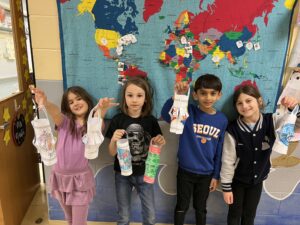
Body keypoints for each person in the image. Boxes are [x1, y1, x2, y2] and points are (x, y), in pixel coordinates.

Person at [30, 85, 117, 225]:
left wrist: (102, 109)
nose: (75, 103)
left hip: (79, 181)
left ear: (87, 100)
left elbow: (97, 118)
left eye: (78, 99)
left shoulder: (91, 126)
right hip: (60, 178)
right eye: (71, 102)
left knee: (78, 222)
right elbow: (55, 112)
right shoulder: (65, 122)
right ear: (68, 107)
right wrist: (45, 102)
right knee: (70, 219)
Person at [220, 81, 299, 225]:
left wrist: (293, 109)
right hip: (237, 181)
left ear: (259, 101)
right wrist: (226, 188)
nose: (244, 106)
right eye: (239, 103)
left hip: (257, 181)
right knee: (234, 215)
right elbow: (227, 160)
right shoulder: (232, 130)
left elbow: (292, 125)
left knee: (249, 215)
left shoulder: (272, 121)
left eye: (249, 100)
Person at [161, 74, 228, 225]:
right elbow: (166, 115)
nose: (208, 97)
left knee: (200, 207)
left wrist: (216, 175)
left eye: (212, 93)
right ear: (195, 95)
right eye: (203, 93)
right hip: (185, 171)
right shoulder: (188, 111)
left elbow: (220, 150)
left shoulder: (222, 120)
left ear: (219, 95)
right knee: (181, 206)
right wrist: (176, 97)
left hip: (206, 174)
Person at [105, 76, 166, 225]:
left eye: (139, 95)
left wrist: (160, 143)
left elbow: (156, 147)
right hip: (122, 175)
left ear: (146, 98)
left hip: (145, 174)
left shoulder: (150, 121)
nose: (134, 100)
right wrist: (113, 139)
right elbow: (112, 153)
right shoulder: (118, 120)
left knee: (150, 216)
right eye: (130, 95)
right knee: (124, 216)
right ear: (124, 97)